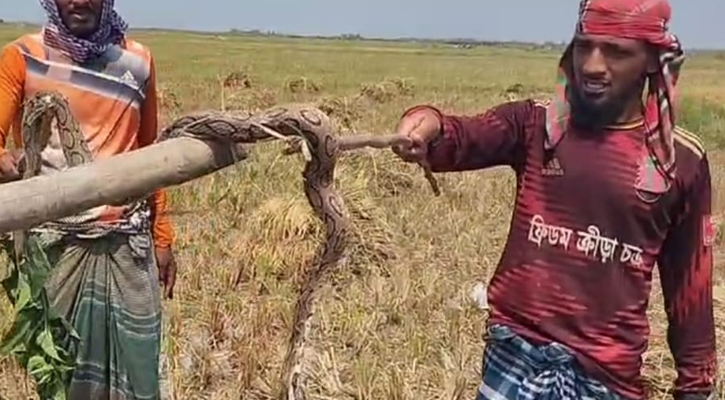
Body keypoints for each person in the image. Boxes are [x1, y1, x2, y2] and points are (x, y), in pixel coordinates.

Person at [393, 0, 717, 399]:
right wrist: (426, 123)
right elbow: (459, 137)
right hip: (514, 361)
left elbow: (690, 291)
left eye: (616, 52)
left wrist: (695, 387)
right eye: (585, 46)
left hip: (604, 381)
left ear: (653, 60)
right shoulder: (536, 127)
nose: (594, 66)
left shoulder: (679, 162)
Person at [0, 0, 177, 399]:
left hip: (129, 246)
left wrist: (162, 233)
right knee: (65, 370)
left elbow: (150, 154)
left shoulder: (138, 62)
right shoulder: (22, 58)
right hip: (57, 249)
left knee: (139, 368)